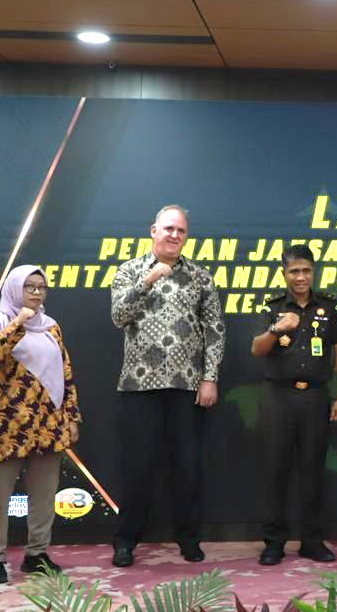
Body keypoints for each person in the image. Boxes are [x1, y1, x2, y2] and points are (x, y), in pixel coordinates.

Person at [109, 204, 225, 568]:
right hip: (138, 386)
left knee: (187, 467)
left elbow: (215, 330)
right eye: (169, 228)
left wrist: (210, 377)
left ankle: (188, 539)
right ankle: (126, 541)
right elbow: (118, 317)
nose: (174, 235)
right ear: (153, 230)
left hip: (187, 386)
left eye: (181, 231)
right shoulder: (129, 270)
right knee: (137, 467)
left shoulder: (200, 277)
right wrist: (147, 281)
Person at [0, 266, 83, 585]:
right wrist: (18, 323)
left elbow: (65, 373)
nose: (37, 293)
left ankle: (36, 554)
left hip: (48, 424)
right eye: (29, 287)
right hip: (5, 425)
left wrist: (72, 416)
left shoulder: (51, 326)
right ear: (14, 289)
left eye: (41, 287)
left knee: (44, 495)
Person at [250, 245, 337, 565]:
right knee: (275, 471)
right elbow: (257, 349)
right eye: (294, 271)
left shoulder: (328, 307)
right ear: (284, 274)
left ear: (313, 271)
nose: (301, 277)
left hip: (315, 397)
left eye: (306, 270)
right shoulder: (272, 308)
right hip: (278, 398)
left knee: (313, 471)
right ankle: (273, 542)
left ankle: (312, 541)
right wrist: (276, 328)